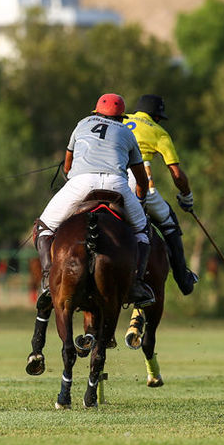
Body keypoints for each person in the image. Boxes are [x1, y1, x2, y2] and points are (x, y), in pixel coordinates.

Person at [35, 93, 156, 308]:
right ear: (121, 117)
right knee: (143, 230)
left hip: (81, 183)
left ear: (96, 112)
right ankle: (136, 284)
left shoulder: (82, 124)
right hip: (116, 184)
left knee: (44, 226)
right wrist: (141, 198)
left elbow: (67, 166)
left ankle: (46, 279)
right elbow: (140, 178)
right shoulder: (127, 133)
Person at [123, 94, 199, 295]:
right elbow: (176, 174)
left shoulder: (120, 119)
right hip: (137, 182)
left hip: (105, 173)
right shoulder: (159, 132)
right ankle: (183, 277)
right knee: (169, 222)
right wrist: (186, 196)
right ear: (156, 116)